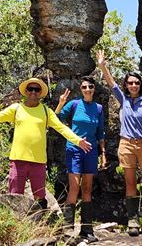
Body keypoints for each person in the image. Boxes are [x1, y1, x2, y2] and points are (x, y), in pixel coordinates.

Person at [0, 77, 92, 213]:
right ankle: (15, 228)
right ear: (26, 91)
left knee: (40, 197)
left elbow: (62, 128)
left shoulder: (46, 112)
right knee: (15, 196)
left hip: (38, 161)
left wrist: (78, 141)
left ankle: (39, 227)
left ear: (40, 93)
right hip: (18, 160)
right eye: (30, 89)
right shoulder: (16, 109)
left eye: (37, 89)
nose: (33, 92)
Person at [96, 49, 142, 237]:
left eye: (136, 82)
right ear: (126, 85)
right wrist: (103, 66)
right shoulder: (124, 100)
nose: (134, 85)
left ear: (140, 84)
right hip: (126, 145)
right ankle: (133, 220)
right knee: (130, 183)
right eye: (130, 83)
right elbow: (111, 84)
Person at [55, 76, 106, 243]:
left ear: (94, 88)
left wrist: (103, 153)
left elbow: (100, 132)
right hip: (74, 149)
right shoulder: (74, 104)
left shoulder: (98, 108)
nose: (88, 89)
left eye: (90, 86)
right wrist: (62, 102)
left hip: (90, 151)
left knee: (87, 189)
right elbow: (56, 119)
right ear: (81, 89)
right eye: (84, 87)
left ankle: (86, 229)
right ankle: (68, 229)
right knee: (74, 188)